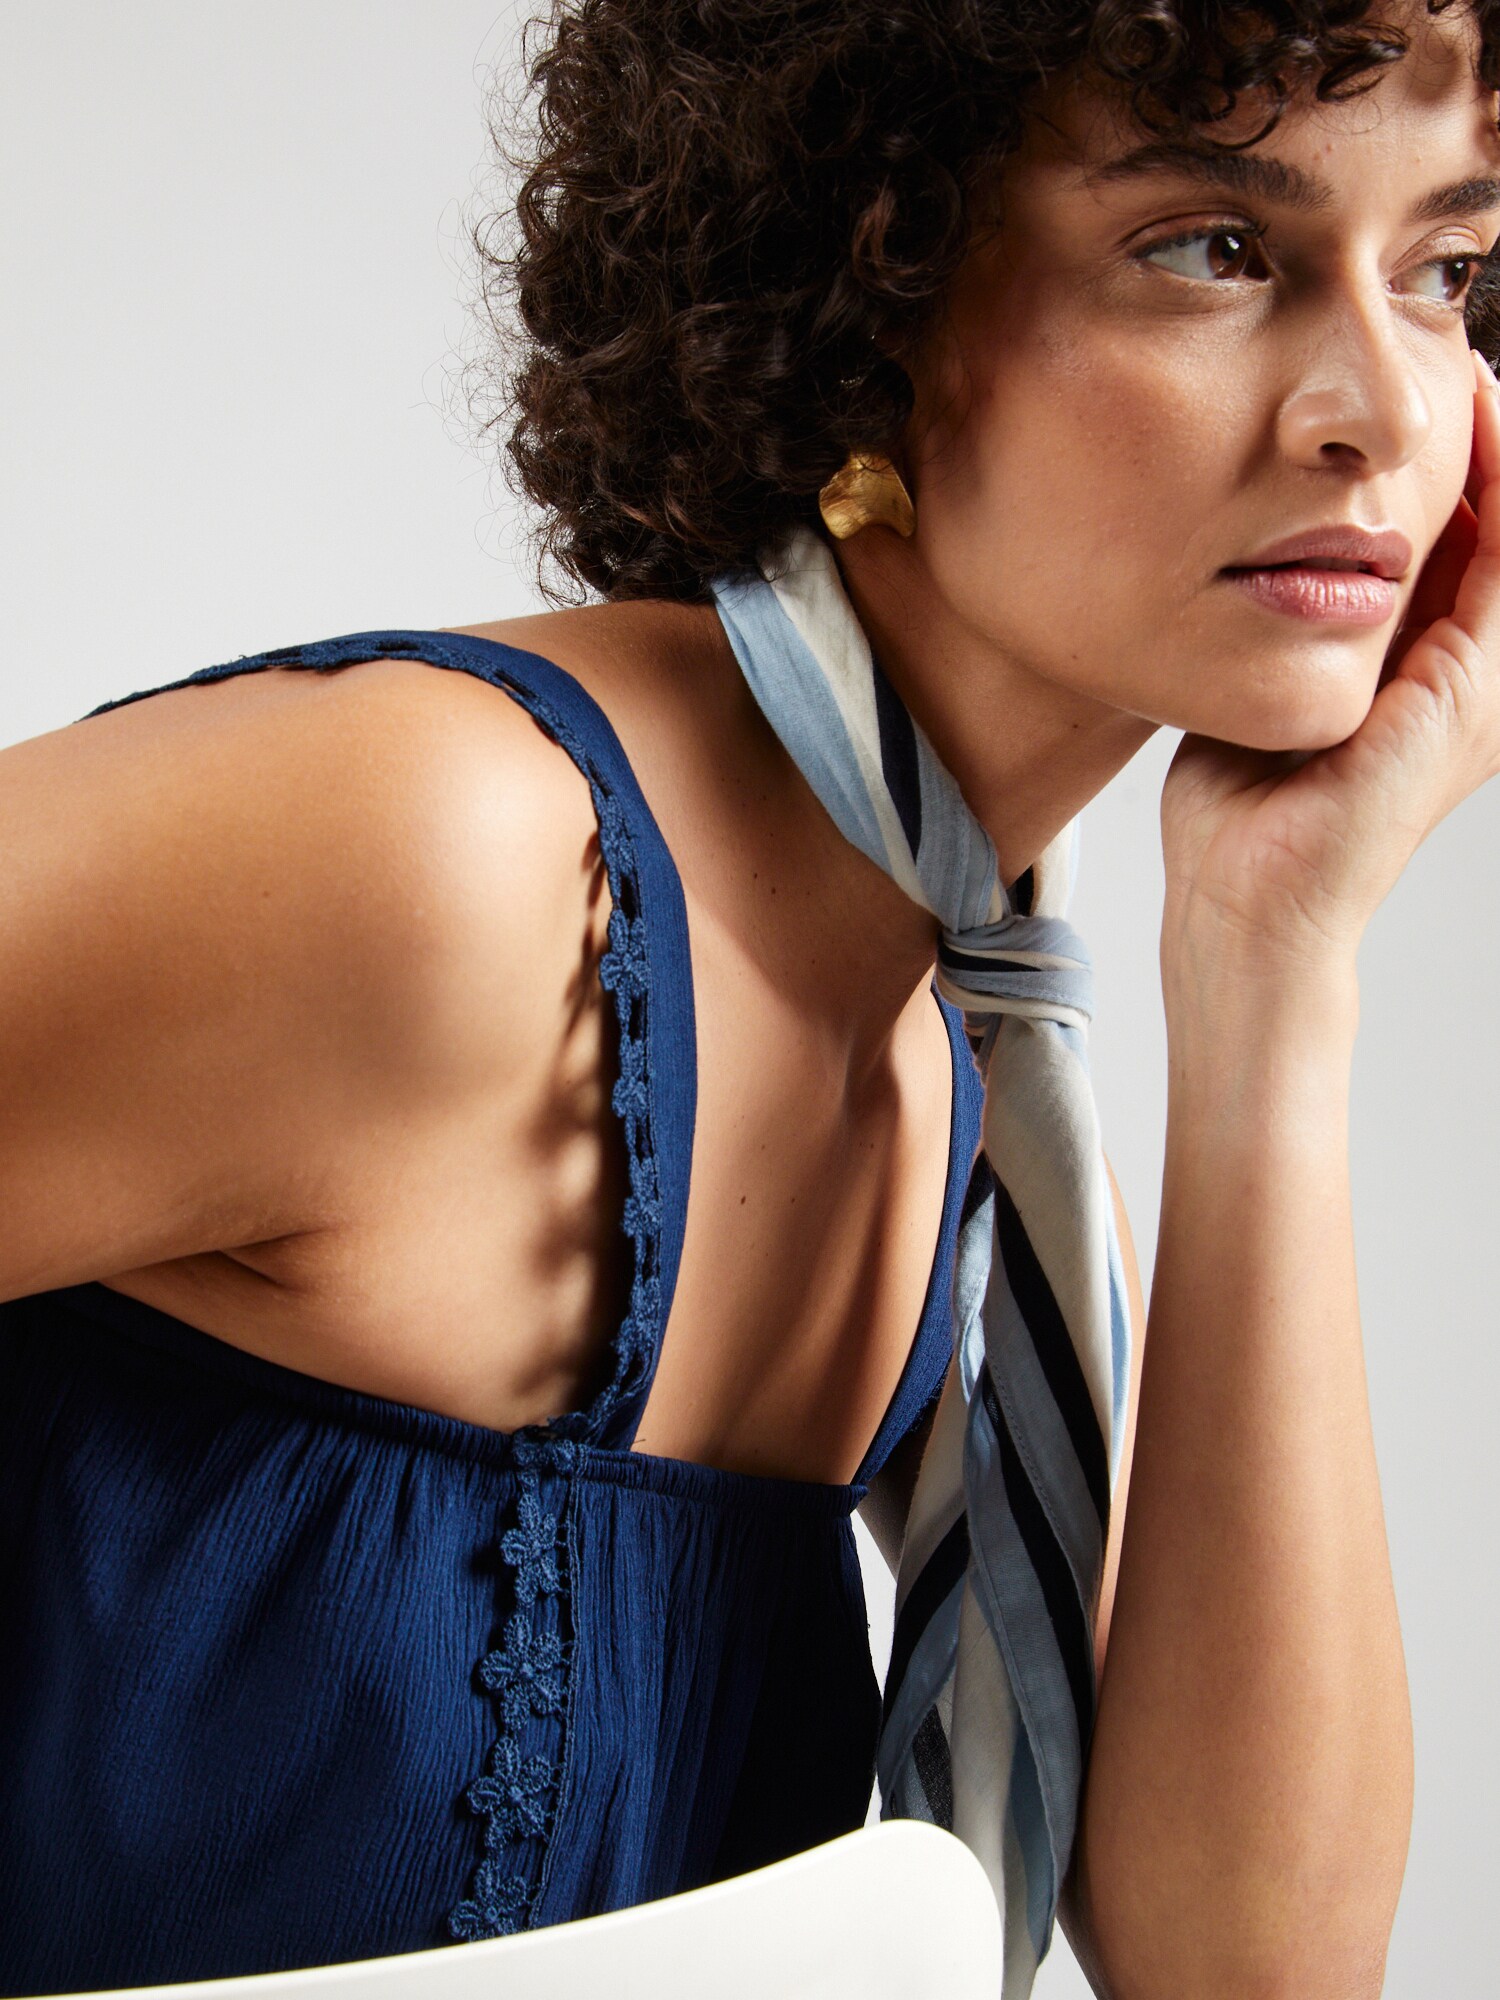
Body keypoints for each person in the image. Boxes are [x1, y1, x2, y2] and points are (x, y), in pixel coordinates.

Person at [3, 0, 1496, 1993]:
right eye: (1218, 248)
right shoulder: (445, 862)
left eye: (1446, 272)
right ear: (873, 280)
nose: (1381, 411)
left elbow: (1255, 1966)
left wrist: (1277, 969)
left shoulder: (957, 1056)